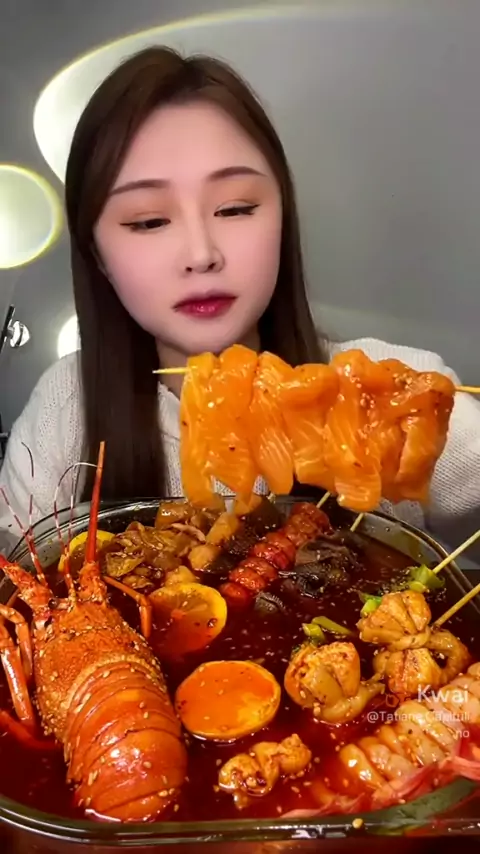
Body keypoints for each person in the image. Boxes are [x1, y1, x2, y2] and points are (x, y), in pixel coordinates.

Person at [0, 46, 479, 560]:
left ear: (283, 218)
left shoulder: (395, 393)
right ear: (96, 251)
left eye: (235, 208)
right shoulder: (65, 407)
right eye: (148, 220)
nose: (202, 255)